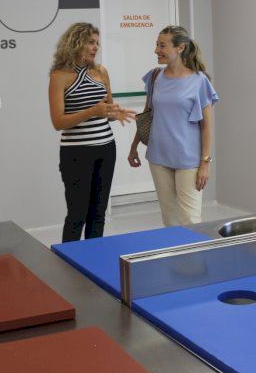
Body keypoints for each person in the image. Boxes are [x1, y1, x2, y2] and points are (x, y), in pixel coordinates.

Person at [49, 23, 135, 242]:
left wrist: (114, 113)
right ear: (75, 43)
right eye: (91, 42)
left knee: (98, 214)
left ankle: (93, 258)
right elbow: (58, 122)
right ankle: (67, 260)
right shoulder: (59, 76)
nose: (96, 47)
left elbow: (106, 109)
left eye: (97, 43)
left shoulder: (101, 71)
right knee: (77, 214)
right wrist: (91, 112)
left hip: (106, 149)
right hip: (76, 153)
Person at [127, 25, 219, 226]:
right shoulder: (155, 77)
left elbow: (207, 126)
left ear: (180, 48)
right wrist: (134, 146)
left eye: (162, 45)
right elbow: (147, 115)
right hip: (159, 157)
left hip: (189, 160)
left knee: (190, 220)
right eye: (156, 45)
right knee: (169, 218)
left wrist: (205, 163)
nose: (156, 50)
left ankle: (194, 249)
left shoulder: (199, 81)